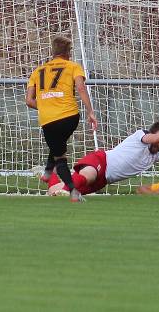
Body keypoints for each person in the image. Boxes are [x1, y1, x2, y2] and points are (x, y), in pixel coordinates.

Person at [45, 120, 159, 197]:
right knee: (87, 177)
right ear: (153, 134)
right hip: (101, 160)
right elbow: (154, 138)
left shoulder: (156, 155)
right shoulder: (141, 136)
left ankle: (48, 175)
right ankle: (66, 189)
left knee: (54, 191)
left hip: (104, 180)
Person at [26, 35, 98, 203]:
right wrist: (91, 112)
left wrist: (45, 106)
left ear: (53, 51)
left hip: (48, 120)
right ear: (68, 52)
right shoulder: (73, 67)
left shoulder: (37, 71)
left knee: (59, 153)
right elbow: (80, 88)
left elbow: (29, 101)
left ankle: (50, 173)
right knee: (59, 147)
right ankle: (66, 186)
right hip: (69, 117)